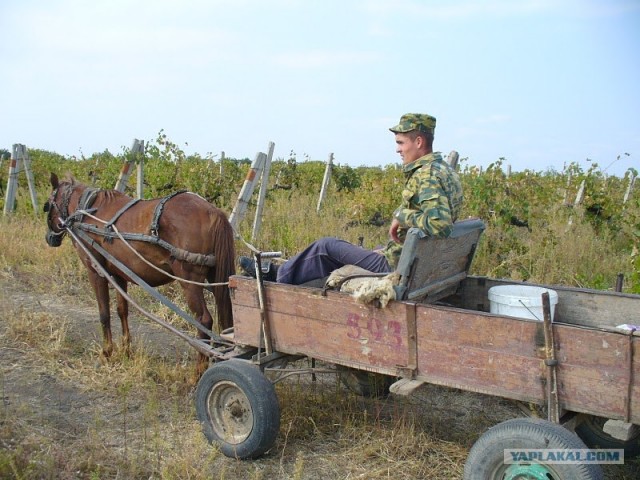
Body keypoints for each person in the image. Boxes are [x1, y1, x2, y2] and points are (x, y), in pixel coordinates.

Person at [240, 112, 463, 284]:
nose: (398, 150)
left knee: (326, 247)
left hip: (400, 266)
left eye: (401, 143)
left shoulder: (426, 176)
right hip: (415, 260)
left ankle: (276, 275)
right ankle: (293, 273)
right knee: (359, 248)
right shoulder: (445, 171)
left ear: (419, 142)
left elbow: (439, 225)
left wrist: (401, 215)